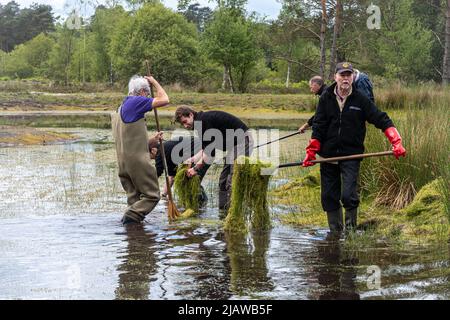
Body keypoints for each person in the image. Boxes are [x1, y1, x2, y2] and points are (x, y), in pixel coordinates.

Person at [302, 62, 406, 235]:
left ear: (352, 77)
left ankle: (350, 234)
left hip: (352, 154)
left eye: (348, 75)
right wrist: (311, 151)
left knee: (349, 195)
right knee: (328, 196)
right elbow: (319, 126)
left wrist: (396, 141)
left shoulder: (360, 99)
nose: (345, 78)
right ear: (335, 77)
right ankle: (335, 233)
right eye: (342, 75)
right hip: (328, 155)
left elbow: (381, 119)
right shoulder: (325, 98)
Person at [111, 75, 169, 225]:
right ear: (142, 92)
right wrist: (154, 81)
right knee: (152, 196)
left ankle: (134, 237)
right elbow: (165, 99)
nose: (148, 97)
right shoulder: (136, 102)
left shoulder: (122, 107)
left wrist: (151, 141)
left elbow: (128, 140)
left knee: (134, 199)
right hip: (136, 163)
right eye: (147, 93)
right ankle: (129, 218)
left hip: (124, 164)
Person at [174, 106, 253, 212]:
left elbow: (210, 154)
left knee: (232, 180)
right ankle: (223, 212)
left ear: (191, 115)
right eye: (182, 124)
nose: (185, 125)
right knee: (223, 180)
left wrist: (195, 169)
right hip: (234, 146)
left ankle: (234, 213)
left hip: (243, 140)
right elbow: (206, 149)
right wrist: (191, 160)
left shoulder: (202, 122)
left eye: (185, 121)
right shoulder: (200, 123)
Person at [148, 135, 210, 205]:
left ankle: (199, 205)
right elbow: (172, 176)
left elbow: (157, 173)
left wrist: (145, 188)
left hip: (204, 153)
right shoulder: (167, 151)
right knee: (189, 182)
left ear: (153, 150)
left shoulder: (161, 151)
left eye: (148, 155)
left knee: (191, 182)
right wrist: (164, 195)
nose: (149, 158)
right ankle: (200, 204)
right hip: (198, 153)